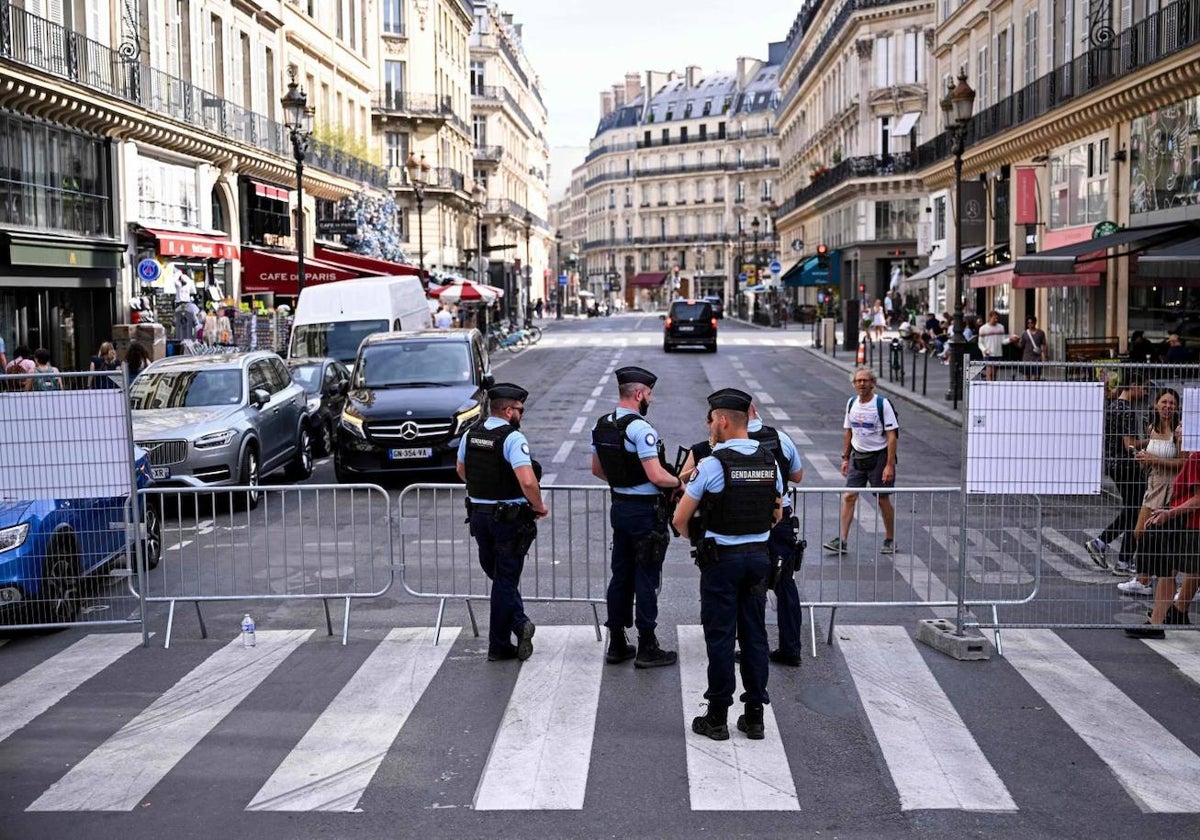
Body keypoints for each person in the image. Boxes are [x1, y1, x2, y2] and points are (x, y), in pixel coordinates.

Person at [674, 388, 783, 741]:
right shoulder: (769, 460)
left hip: (721, 560)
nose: (710, 427)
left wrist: (701, 538)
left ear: (722, 421)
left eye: (712, 421)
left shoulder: (712, 465)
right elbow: (777, 513)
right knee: (755, 637)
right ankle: (754, 717)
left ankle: (717, 716)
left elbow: (680, 518)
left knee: (720, 638)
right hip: (759, 559)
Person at [679, 399, 806, 666]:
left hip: (731, 539)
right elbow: (796, 476)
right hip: (772, 526)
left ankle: (722, 693)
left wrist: (703, 538)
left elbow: (682, 511)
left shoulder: (713, 456)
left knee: (726, 603)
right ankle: (789, 648)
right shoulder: (777, 441)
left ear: (725, 419)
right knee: (782, 585)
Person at [590, 366, 681, 668]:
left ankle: (617, 641)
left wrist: (623, 482)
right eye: (650, 395)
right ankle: (647, 645)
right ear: (639, 394)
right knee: (646, 577)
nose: (650, 400)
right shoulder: (641, 429)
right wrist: (678, 482)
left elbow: (597, 470)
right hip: (645, 512)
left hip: (620, 508)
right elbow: (656, 474)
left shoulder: (602, 424)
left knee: (621, 575)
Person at [456, 382, 547, 661]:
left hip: (480, 516)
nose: (522, 414)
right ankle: (500, 644)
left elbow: (462, 470)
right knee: (505, 580)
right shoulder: (512, 438)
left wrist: (485, 491)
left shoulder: (470, 435)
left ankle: (519, 623)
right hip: (508, 520)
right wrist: (538, 505)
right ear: (508, 411)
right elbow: (527, 479)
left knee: (498, 576)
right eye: (520, 409)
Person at [1123, 449, 1200, 638]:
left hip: (1189, 522)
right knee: (1178, 570)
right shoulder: (1193, 456)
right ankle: (1167, 617)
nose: (1180, 428)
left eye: (1183, 425)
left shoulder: (1197, 457)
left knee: (1169, 570)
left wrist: (1169, 513)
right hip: (1186, 520)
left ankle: (1158, 622)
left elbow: (1198, 498)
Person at [823, 367, 899, 555]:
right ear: (853, 384)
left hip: (879, 458)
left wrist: (889, 465)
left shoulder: (883, 404)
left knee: (882, 499)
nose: (862, 384)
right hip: (858, 456)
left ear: (873, 384)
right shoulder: (851, 403)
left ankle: (890, 539)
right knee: (849, 496)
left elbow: (892, 436)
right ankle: (842, 540)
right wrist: (845, 458)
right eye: (858, 381)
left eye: (865, 381)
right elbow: (848, 432)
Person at [1120, 388, 1186, 594]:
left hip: (1172, 487)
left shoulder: (1179, 432)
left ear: (1177, 408)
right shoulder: (1152, 428)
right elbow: (1150, 458)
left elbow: (1184, 463)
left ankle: (1165, 581)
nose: (1167, 407)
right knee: (1140, 532)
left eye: (1172, 403)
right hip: (1154, 485)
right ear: (1156, 405)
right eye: (1164, 402)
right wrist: (1143, 458)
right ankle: (1145, 578)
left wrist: (1154, 460)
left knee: (1171, 538)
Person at [1085, 372, 1149, 571]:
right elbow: (1129, 444)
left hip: (1113, 464)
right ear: (1133, 385)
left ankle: (1105, 545)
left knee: (1133, 510)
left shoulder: (1114, 406)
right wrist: (1151, 441)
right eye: (1144, 387)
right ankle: (1120, 558)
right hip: (1125, 465)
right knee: (1136, 511)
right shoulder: (1127, 409)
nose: (1146, 392)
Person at [977, 311, 1007, 381]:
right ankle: (989, 387)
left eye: (997, 318)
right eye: (994, 318)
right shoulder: (983, 328)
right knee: (989, 373)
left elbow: (1002, 341)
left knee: (994, 374)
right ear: (990, 318)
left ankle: (993, 388)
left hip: (997, 353)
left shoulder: (1001, 327)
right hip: (988, 353)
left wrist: (1010, 340)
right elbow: (980, 343)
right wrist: (984, 350)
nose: (996, 320)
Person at [1017, 316, 1048, 380]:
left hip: (1037, 358)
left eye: (1032, 323)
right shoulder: (1024, 333)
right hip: (1026, 358)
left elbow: (1044, 345)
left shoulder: (1041, 333)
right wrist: (1014, 342)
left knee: (1036, 377)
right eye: (1028, 323)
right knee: (1027, 377)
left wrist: (1045, 356)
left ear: (1035, 322)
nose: (1030, 324)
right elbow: (1021, 345)